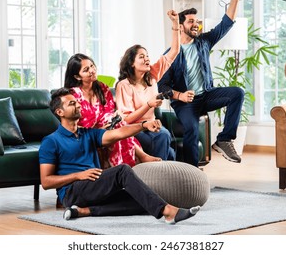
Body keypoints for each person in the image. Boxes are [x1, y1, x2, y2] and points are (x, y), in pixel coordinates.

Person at [39, 88, 201, 223]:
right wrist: (79, 175)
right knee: (122, 171)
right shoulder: (51, 141)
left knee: (142, 200)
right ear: (60, 112)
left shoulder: (88, 134)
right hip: (72, 192)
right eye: (72, 103)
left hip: (94, 186)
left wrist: (143, 125)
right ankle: (168, 212)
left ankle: (85, 211)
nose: (78, 105)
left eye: (77, 101)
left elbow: (118, 133)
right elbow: (46, 182)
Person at [158, 0, 244, 166]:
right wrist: (180, 95)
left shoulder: (204, 42)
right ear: (180, 26)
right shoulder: (171, 54)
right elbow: (162, 86)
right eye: (191, 21)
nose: (196, 24)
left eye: (197, 21)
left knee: (237, 93)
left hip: (206, 95)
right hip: (185, 103)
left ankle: (224, 139)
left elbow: (226, 23)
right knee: (191, 128)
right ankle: (192, 172)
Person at [64, 53, 160, 168]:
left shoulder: (102, 88)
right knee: (117, 127)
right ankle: (132, 163)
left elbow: (109, 112)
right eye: (86, 70)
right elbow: (74, 124)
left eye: (92, 66)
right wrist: (99, 129)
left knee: (117, 122)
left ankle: (126, 168)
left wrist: (111, 121)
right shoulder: (73, 95)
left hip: (107, 130)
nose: (92, 70)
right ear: (77, 76)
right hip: (86, 134)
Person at [115, 10, 180, 161]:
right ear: (131, 63)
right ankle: (157, 179)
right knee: (164, 136)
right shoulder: (124, 85)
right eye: (142, 57)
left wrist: (175, 24)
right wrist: (149, 105)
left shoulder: (152, 76)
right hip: (134, 129)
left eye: (148, 56)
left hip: (152, 126)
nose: (147, 59)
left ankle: (160, 177)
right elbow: (127, 120)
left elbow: (174, 51)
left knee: (170, 152)